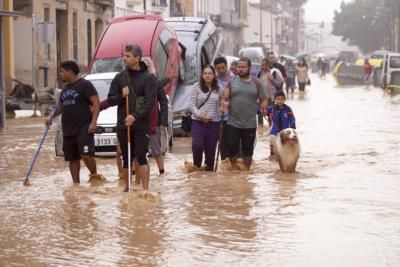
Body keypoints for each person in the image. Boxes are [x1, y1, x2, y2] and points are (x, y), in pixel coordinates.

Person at [107, 44, 157, 192]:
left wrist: (135, 116)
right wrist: (121, 96)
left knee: (141, 155)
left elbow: (149, 103)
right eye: (124, 55)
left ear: (137, 58)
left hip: (141, 125)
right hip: (124, 124)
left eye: (128, 56)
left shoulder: (148, 78)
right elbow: (110, 100)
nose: (124, 59)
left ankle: (145, 191)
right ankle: (127, 188)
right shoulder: (119, 77)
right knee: (126, 156)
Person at [45, 60, 102, 184]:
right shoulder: (65, 89)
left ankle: (94, 176)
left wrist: (93, 123)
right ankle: (76, 185)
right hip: (68, 128)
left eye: (62, 71)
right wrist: (51, 116)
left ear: (70, 72)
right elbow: (61, 106)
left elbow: (96, 103)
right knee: (72, 158)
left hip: (84, 126)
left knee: (86, 155)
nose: (60, 74)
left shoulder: (85, 85)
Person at [221, 57, 267, 170]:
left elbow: (263, 98)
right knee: (231, 146)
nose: (241, 69)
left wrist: (263, 106)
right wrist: (224, 104)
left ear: (249, 68)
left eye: (243, 67)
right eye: (239, 67)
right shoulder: (231, 82)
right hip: (233, 121)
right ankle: (234, 167)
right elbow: (225, 98)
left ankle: (246, 171)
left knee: (248, 150)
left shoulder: (257, 83)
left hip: (249, 123)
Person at [189, 65, 223, 171]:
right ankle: (197, 168)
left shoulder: (219, 88)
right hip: (198, 122)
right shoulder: (196, 86)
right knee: (197, 145)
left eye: (210, 73)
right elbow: (191, 105)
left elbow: (224, 102)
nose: (207, 76)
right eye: (205, 73)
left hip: (214, 123)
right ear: (202, 75)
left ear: (214, 75)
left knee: (210, 152)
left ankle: (208, 178)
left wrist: (223, 108)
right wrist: (200, 116)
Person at [141, 57, 169, 175]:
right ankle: (135, 174)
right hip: (138, 122)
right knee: (138, 151)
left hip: (154, 122)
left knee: (156, 151)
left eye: (148, 66)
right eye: (144, 66)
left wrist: (163, 122)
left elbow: (163, 102)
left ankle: (161, 173)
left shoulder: (156, 82)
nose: (146, 68)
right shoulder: (135, 81)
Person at [214, 56, 235, 160]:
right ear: (215, 69)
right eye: (218, 68)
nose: (221, 70)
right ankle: (224, 167)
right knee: (222, 144)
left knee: (232, 143)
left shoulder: (234, 79)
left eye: (223, 67)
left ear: (227, 66)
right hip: (218, 117)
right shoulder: (213, 80)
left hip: (232, 116)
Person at [267, 90, 296, 159]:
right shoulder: (272, 108)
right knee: (272, 138)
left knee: (286, 144)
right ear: (275, 100)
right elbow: (263, 111)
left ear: (284, 100)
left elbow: (292, 118)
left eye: (281, 99)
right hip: (275, 130)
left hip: (285, 131)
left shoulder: (288, 109)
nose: (280, 101)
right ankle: (272, 154)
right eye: (278, 99)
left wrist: (292, 126)